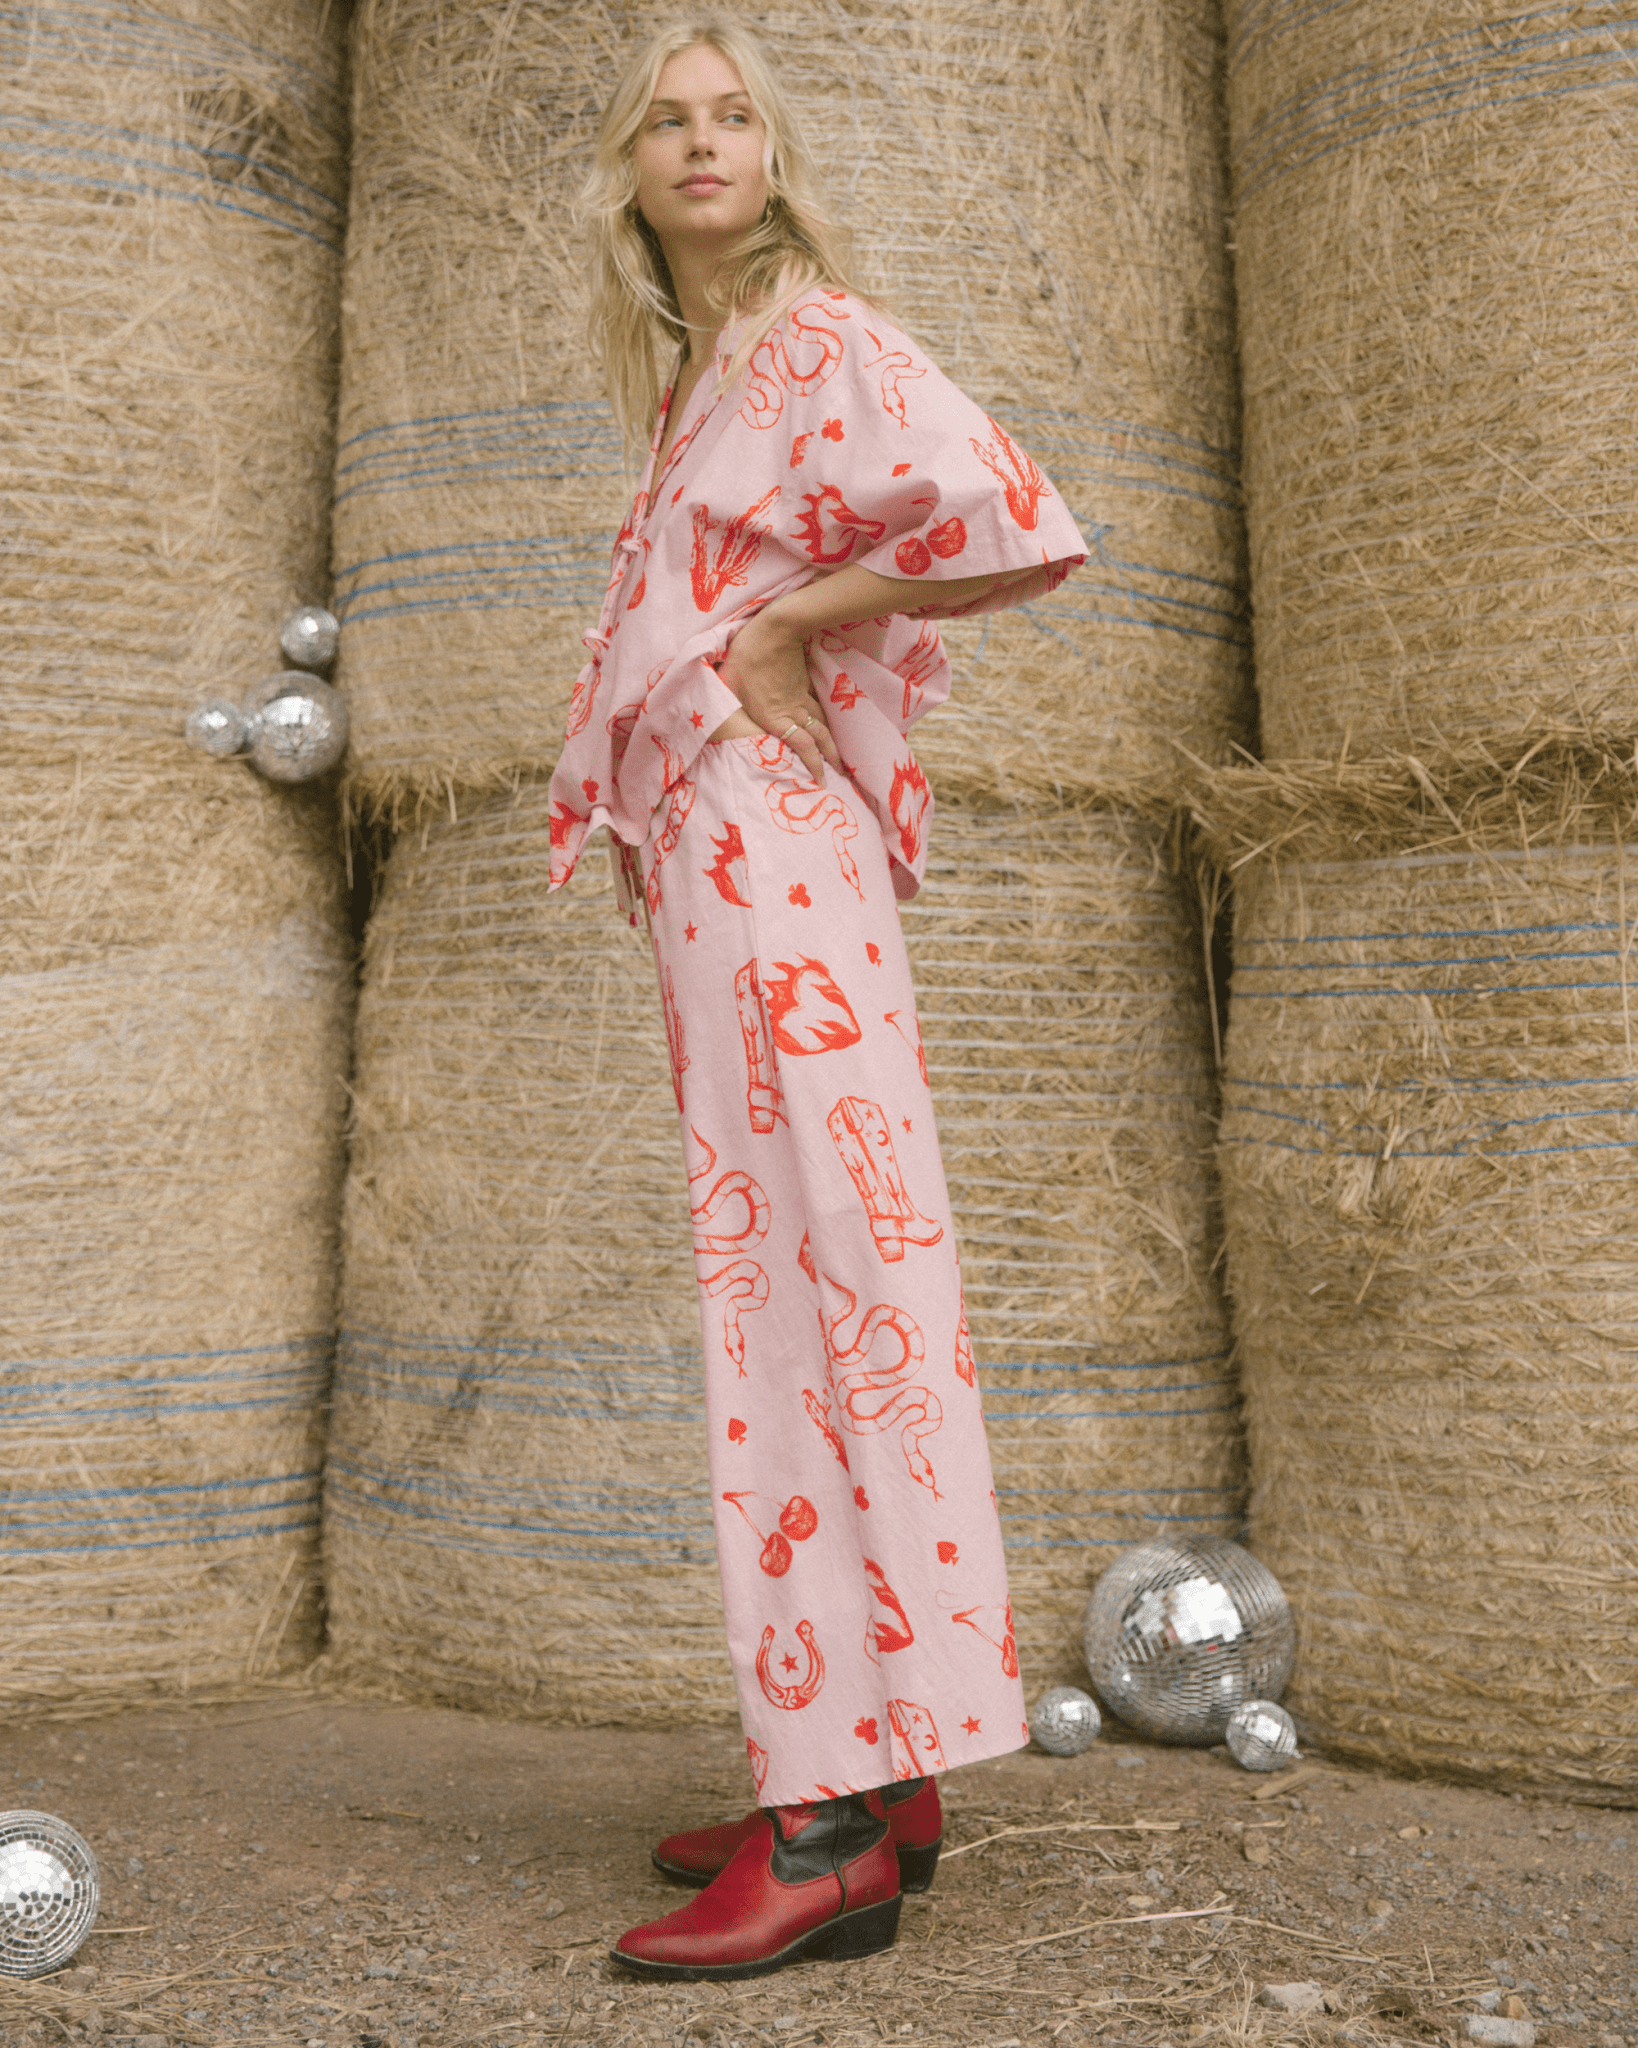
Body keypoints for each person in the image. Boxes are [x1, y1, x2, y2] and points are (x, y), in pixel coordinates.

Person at [546, 16, 1088, 1983]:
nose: (702, 144)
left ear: (772, 153)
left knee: (804, 1291)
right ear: (629, 171)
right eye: (667, 122)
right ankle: (884, 1755)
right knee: (826, 1267)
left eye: (733, 116)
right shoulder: (707, 377)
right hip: (738, 862)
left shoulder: (816, 337)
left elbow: (1013, 515)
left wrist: (791, 619)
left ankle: (828, 1825)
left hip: (770, 854)